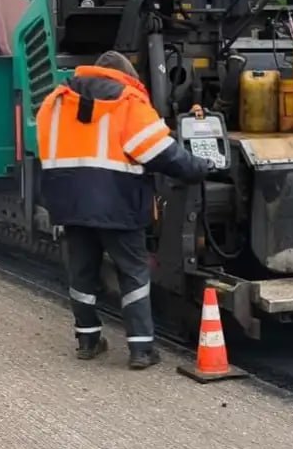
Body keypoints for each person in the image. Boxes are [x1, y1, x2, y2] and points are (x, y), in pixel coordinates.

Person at [36, 50, 211, 370]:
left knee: (81, 274)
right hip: (119, 204)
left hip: (70, 204)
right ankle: (141, 349)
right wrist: (199, 167)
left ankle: (87, 341)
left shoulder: (55, 102)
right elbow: (161, 152)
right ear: (125, 75)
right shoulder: (128, 102)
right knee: (133, 273)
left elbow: (44, 147)